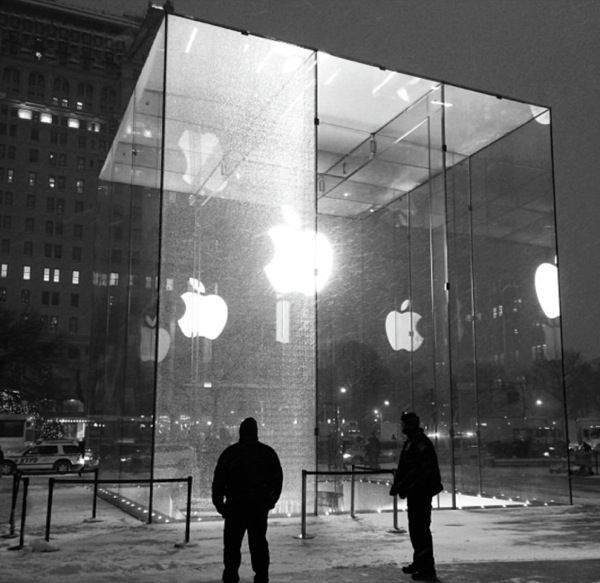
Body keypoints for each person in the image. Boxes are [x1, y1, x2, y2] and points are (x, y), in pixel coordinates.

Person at [212, 417, 283, 583]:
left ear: (240, 432)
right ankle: (261, 576)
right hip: (258, 508)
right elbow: (277, 480)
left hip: (235, 507)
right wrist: (270, 501)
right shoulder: (267, 453)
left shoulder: (230, 453)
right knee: (258, 544)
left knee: (232, 545)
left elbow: (219, 481)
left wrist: (219, 504)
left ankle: (230, 575)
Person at [389, 412, 443, 582]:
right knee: (417, 529)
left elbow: (416, 469)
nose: (402, 427)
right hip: (418, 492)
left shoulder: (418, 442)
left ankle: (427, 567)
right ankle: (420, 562)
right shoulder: (415, 441)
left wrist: (404, 485)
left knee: (420, 530)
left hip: (420, 492)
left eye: (404, 424)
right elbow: (408, 467)